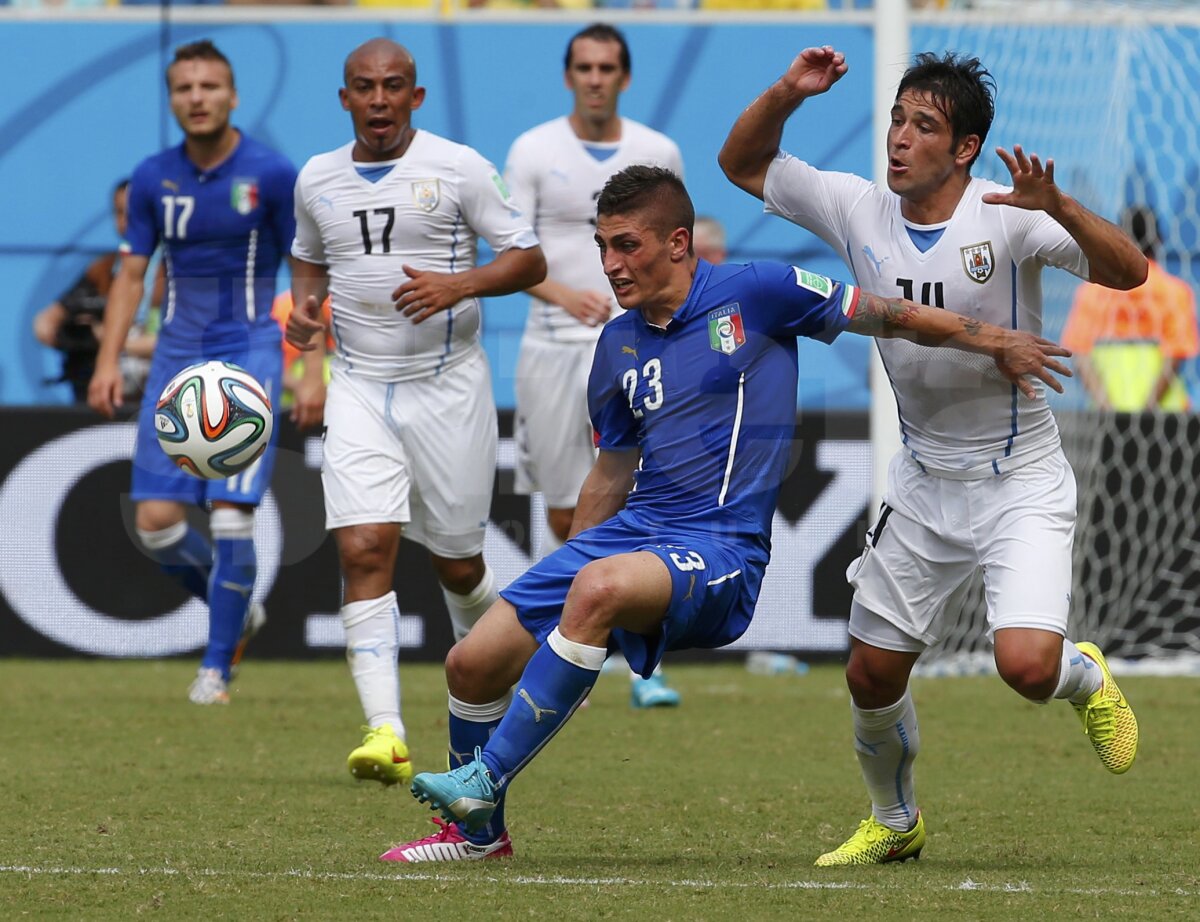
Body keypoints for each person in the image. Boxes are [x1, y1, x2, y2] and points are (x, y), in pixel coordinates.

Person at [379, 164, 1073, 863]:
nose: (611, 265)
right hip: (631, 537)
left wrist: (995, 340)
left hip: (720, 551)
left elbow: (888, 313)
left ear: (678, 243)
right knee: (472, 663)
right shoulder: (616, 345)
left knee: (598, 591)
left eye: (627, 246)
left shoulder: (759, 291)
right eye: (602, 247)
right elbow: (611, 472)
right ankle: (477, 836)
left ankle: (484, 779)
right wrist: (572, 574)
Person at [718, 47, 1146, 866]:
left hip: (1018, 480)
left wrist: (1059, 206)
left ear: (964, 149)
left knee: (1025, 668)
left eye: (925, 126)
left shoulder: (1008, 214)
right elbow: (741, 164)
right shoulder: (857, 207)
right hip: (923, 484)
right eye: (898, 120)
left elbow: (1129, 273)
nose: (901, 138)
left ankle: (1084, 675)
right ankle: (895, 820)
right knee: (870, 677)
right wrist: (787, 92)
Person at [284, 37, 546, 788]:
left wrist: (458, 286)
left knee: (458, 563)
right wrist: (306, 321)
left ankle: (503, 665)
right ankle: (386, 732)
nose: (377, 99)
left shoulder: (458, 167)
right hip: (360, 384)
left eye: (392, 86)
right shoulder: (317, 179)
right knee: (364, 547)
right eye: (363, 87)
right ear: (344, 99)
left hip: (448, 387)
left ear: (415, 97)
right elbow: (308, 258)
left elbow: (528, 258)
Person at [88, 40, 296, 705]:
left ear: (233, 96)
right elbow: (130, 275)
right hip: (177, 358)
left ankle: (215, 668)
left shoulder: (272, 172)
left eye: (209, 86)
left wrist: (311, 365)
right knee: (154, 521)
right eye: (184, 88)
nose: (197, 97)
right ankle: (232, 603)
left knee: (232, 512)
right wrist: (106, 361)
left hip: (249, 353)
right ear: (172, 98)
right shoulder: (152, 177)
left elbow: (310, 270)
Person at [504, 23, 685, 710]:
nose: (596, 78)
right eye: (584, 66)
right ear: (568, 75)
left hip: (642, 347)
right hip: (554, 345)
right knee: (563, 509)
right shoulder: (533, 151)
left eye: (608, 67)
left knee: (647, 495)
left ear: (625, 77)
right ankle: (584, 639)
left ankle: (646, 659)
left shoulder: (656, 151)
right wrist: (561, 294)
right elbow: (511, 252)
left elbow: (677, 245)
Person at [1062, 204, 1199, 411]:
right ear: (1159, 240)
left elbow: (1081, 356)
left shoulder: (1094, 292)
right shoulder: (1174, 291)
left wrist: (1106, 408)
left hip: (1107, 415)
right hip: (1164, 415)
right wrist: (1146, 411)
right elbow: (1175, 355)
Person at [34, 180, 159, 403]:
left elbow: (185, 340)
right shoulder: (102, 269)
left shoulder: (178, 269)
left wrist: (110, 339)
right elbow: (43, 325)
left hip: (161, 396)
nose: (126, 221)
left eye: (134, 212)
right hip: (107, 400)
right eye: (119, 212)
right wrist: (79, 338)